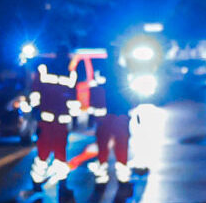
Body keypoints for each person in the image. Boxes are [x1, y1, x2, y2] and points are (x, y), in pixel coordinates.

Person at [27, 52, 79, 189]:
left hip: (48, 121)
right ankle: (60, 182)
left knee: (45, 152)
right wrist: (74, 118)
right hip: (57, 122)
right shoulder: (69, 75)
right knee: (58, 152)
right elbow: (73, 98)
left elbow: (35, 92)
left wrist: (35, 110)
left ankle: (39, 181)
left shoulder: (44, 72)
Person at [89, 46, 137, 189]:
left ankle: (109, 178)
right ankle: (118, 179)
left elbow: (128, 93)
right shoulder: (120, 71)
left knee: (111, 147)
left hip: (113, 116)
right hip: (114, 116)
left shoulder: (107, 71)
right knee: (115, 147)